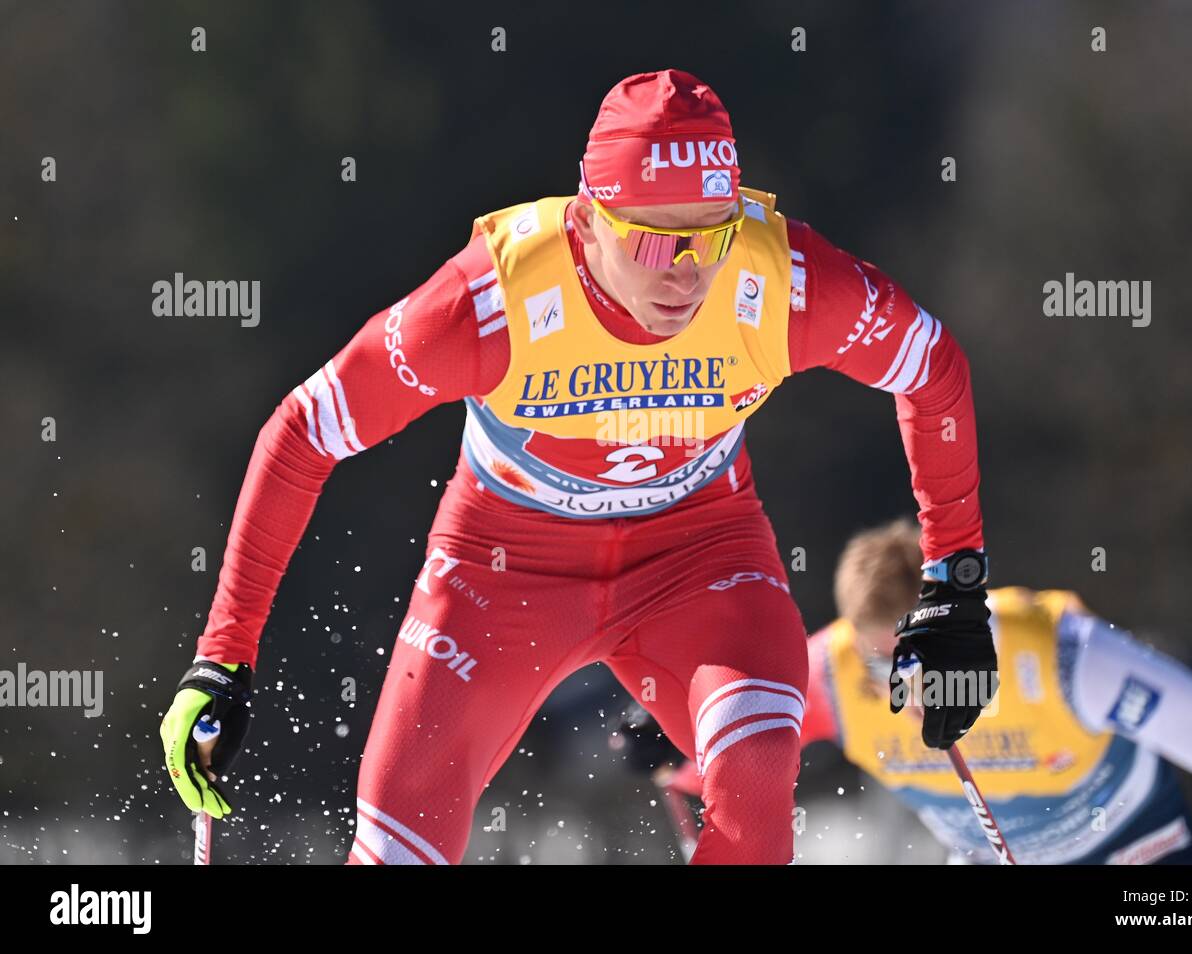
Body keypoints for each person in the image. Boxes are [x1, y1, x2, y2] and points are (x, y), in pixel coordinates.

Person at [159, 69, 995, 865]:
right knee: (399, 843)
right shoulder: (490, 303)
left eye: (712, 235)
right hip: (502, 570)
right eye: (653, 238)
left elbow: (934, 367)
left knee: (756, 769)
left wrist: (955, 586)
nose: (689, 270)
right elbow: (303, 432)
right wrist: (223, 655)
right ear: (589, 221)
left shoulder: (780, 281)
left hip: (699, 559)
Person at [639, 520, 1192, 864]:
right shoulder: (835, 676)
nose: (901, 686)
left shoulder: (1065, 655)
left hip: (1135, 852)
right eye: (880, 663)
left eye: (919, 660)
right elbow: (727, 738)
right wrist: (666, 733)